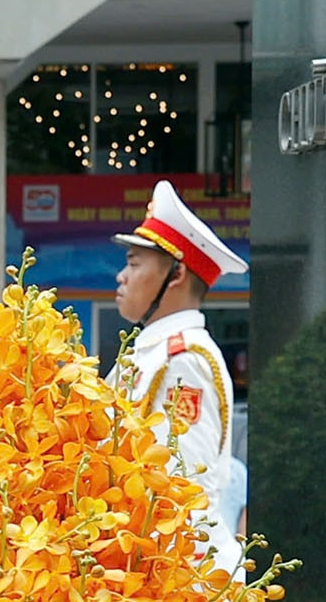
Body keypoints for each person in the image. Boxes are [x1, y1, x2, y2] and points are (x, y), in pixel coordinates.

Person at [107, 180, 249, 577]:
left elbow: (186, 487)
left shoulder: (182, 360)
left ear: (177, 274)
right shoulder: (152, 353)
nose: (121, 276)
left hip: (180, 576)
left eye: (134, 264)